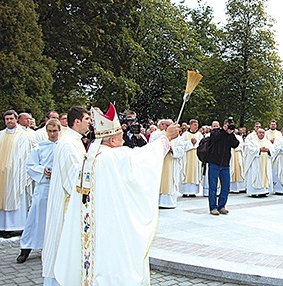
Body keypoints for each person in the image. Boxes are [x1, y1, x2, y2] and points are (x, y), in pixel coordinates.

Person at [52, 103, 179, 285]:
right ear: (111, 141)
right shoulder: (113, 157)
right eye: (120, 138)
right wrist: (166, 138)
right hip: (111, 228)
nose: (123, 142)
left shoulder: (91, 156)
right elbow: (143, 158)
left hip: (94, 225)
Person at [43, 106, 91, 285]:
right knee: (62, 247)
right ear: (77, 121)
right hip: (67, 204)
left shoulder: (74, 141)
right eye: (87, 119)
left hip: (69, 202)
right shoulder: (69, 144)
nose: (90, 122)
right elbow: (74, 180)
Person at [16, 119, 61, 263]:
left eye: (55, 131)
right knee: (35, 217)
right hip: (44, 187)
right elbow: (30, 165)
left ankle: (55, 247)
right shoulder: (40, 148)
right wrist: (43, 170)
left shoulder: (64, 146)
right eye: (50, 131)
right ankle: (26, 247)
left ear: (60, 130)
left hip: (59, 187)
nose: (52, 134)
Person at [0, 110, 33, 240]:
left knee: (16, 195)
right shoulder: (1, 135)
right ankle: (3, 227)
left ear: (16, 120)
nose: (9, 121)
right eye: (6, 119)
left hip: (16, 173)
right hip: (2, 173)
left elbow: (24, 155)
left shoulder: (23, 135)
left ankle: (17, 225)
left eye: (11, 119)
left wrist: (16, 169)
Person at [205, 118, 239, 215]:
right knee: (213, 186)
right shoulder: (216, 132)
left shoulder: (230, 135)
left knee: (226, 186)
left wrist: (231, 133)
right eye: (228, 125)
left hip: (225, 164)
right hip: (214, 162)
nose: (229, 127)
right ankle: (213, 207)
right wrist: (223, 131)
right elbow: (214, 138)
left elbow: (235, 144)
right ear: (224, 125)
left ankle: (222, 206)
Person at [157, 119, 184, 209]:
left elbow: (181, 149)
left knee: (170, 181)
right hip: (161, 163)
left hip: (172, 163)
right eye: (167, 125)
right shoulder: (159, 135)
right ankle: (158, 202)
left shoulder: (178, 138)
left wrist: (173, 149)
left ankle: (169, 202)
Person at [245, 128, 275, 197]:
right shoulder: (252, 142)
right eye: (260, 133)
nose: (261, 134)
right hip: (256, 162)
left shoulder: (267, 142)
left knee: (265, 174)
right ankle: (254, 192)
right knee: (255, 175)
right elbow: (250, 150)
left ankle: (264, 191)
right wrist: (259, 150)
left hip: (266, 162)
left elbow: (273, 150)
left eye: (263, 133)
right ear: (257, 133)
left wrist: (268, 150)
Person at [180, 119, 202, 197]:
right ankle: (185, 191)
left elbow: (202, 143)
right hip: (187, 156)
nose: (197, 126)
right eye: (195, 125)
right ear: (191, 125)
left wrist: (196, 142)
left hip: (195, 155)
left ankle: (193, 191)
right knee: (186, 170)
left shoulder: (199, 134)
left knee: (195, 171)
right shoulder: (185, 134)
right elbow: (181, 144)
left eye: (197, 125)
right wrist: (190, 142)